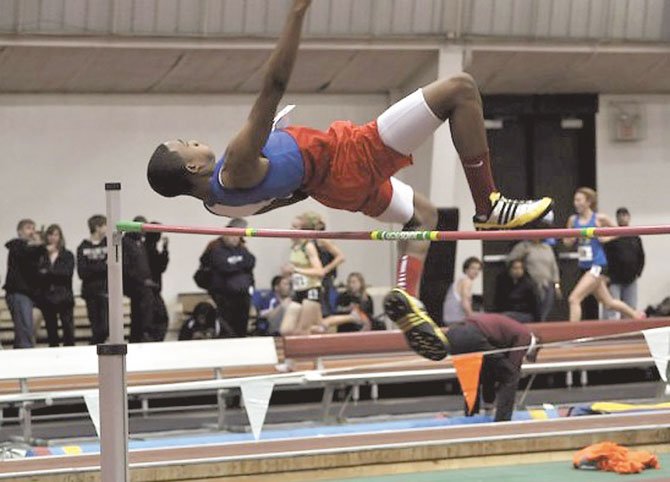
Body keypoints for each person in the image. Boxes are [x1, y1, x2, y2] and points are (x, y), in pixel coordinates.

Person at [146, 0, 553, 361]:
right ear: (191, 168)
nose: (195, 141)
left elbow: (281, 197)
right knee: (460, 89)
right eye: (187, 144)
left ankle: (407, 295)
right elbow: (272, 86)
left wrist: (294, 164)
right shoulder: (234, 164)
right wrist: (296, 13)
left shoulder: (216, 204)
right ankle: (489, 207)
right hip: (347, 156)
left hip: (332, 185)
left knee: (424, 215)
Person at [563, 188, 644, 322]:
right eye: (575, 200)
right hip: (585, 265)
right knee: (608, 302)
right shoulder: (573, 220)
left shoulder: (599, 219)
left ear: (588, 202)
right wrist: (570, 239)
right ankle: (636, 315)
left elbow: (619, 232)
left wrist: (606, 238)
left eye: (579, 200)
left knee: (574, 299)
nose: (575, 203)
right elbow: (566, 242)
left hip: (597, 265)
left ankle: (572, 335)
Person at [446, 312, 539, 422]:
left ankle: (471, 416)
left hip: (452, 333)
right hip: (472, 335)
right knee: (510, 376)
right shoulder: (525, 336)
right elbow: (513, 366)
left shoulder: (509, 331)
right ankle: (502, 420)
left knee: (477, 374)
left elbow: (494, 364)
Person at [207, 218, 256, 338]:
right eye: (233, 235)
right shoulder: (216, 248)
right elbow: (223, 266)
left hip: (243, 294)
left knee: (242, 324)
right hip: (224, 294)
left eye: (238, 236)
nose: (235, 238)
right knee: (227, 326)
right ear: (225, 234)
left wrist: (234, 263)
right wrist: (239, 263)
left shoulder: (242, 248)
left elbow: (250, 261)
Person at [279, 214, 325, 335]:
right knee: (286, 330)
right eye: (291, 226)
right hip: (298, 291)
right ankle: (319, 328)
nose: (291, 229)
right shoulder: (294, 246)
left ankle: (318, 331)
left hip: (311, 290)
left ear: (303, 230)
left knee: (302, 330)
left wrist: (296, 270)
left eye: (295, 227)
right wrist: (288, 274)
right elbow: (296, 270)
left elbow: (320, 271)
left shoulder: (308, 247)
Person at [4, 219, 44, 348]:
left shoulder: (33, 250)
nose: (32, 231)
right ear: (20, 231)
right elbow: (25, 253)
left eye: (33, 228)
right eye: (28, 228)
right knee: (25, 330)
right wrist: (38, 244)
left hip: (30, 294)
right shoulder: (16, 245)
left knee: (26, 329)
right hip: (18, 293)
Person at [36, 224, 75, 347]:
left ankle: (69, 352)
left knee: (68, 328)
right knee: (51, 330)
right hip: (47, 296)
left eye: (56, 234)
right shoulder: (42, 255)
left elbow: (67, 273)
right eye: (50, 234)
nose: (53, 238)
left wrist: (48, 272)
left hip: (64, 296)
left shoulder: (67, 254)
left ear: (60, 237)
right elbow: (37, 273)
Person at [603, 207, 645, 320]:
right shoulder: (612, 236)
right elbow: (605, 255)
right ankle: (609, 332)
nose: (623, 218)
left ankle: (629, 333)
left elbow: (641, 255)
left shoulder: (635, 237)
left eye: (625, 215)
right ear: (617, 219)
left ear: (629, 217)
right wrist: (606, 275)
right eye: (620, 216)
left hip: (631, 278)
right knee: (611, 309)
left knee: (630, 309)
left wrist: (638, 272)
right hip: (614, 279)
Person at [508, 239, 560, 321]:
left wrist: (557, 285)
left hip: (548, 284)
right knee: (536, 311)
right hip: (532, 285)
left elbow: (554, 267)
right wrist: (522, 254)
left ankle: (542, 328)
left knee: (546, 310)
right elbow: (510, 260)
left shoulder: (547, 247)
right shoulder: (523, 246)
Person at [77, 215, 109, 344]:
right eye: (105, 225)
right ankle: (94, 349)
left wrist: (93, 267)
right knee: (96, 326)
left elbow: (112, 267)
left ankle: (94, 345)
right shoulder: (83, 247)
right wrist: (102, 265)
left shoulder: (109, 244)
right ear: (97, 227)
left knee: (106, 327)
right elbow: (82, 272)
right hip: (90, 291)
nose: (107, 228)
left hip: (106, 290)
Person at [122, 226, 155, 342]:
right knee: (140, 312)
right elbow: (127, 266)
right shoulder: (126, 243)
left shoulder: (140, 243)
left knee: (140, 313)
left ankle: (141, 335)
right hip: (135, 284)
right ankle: (142, 334)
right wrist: (142, 280)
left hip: (143, 283)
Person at [310, 213, 345, 316]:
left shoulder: (322, 240)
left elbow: (341, 257)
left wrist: (325, 270)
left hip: (324, 280)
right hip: (315, 280)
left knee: (324, 309)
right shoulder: (311, 240)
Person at [142, 219, 170, 341]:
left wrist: (165, 250)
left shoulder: (148, 248)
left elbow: (160, 267)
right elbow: (159, 267)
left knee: (158, 319)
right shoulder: (148, 249)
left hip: (153, 289)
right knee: (159, 319)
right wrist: (165, 251)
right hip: (151, 290)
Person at [443, 257, 482, 324]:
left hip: (449, 318)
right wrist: (472, 317)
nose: (476, 271)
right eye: (473, 268)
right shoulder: (467, 281)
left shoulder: (460, 280)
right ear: (466, 269)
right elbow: (465, 302)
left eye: (478, 269)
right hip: (457, 319)